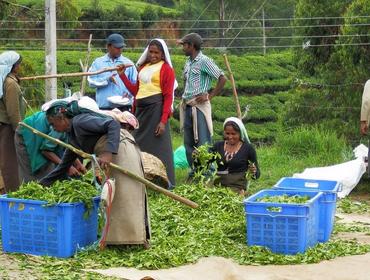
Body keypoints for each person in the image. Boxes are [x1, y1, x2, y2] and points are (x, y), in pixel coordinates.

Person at [39, 100, 150, 246]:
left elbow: (113, 124)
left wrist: (108, 153)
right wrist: (40, 185)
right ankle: (118, 241)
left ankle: (134, 239)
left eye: (53, 124)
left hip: (121, 149)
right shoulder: (72, 136)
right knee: (112, 197)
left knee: (126, 195)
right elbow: (62, 167)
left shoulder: (80, 122)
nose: (53, 127)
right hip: (112, 153)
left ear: (62, 118)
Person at [118, 38, 176, 188]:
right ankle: (140, 178)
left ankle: (165, 182)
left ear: (163, 54)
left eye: (156, 52)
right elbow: (136, 92)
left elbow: (168, 96)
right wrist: (122, 76)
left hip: (156, 111)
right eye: (151, 52)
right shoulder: (143, 68)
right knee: (137, 143)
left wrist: (163, 121)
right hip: (141, 111)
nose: (153, 55)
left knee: (159, 146)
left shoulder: (166, 70)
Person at [177, 33, 227, 179]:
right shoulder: (188, 62)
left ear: (191, 46)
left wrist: (209, 96)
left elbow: (222, 78)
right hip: (188, 105)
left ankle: (206, 174)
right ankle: (194, 171)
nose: (182, 47)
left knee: (202, 142)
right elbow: (186, 82)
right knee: (189, 142)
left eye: (184, 45)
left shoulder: (204, 61)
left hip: (199, 107)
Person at [14, 111, 85, 184]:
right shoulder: (58, 126)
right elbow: (46, 150)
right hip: (28, 133)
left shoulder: (69, 123)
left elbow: (66, 144)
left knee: (51, 172)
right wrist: (67, 167)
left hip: (44, 139)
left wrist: (77, 163)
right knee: (34, 174)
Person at [208, 117, 260, 195]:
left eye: (233, 134)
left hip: (237, 189)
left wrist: (253, 171)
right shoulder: (218, 146)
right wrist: (197, 158)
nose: (230, 137)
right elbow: (204, 164)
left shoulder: (248, 148)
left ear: (240, 133)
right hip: (218, 187)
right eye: (227, 133)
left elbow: (256, 175)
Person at [88, 33, 137, 111]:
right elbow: (91, 82)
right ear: (108, 46)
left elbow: (136, 84)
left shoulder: (129, 64)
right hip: (104, 108)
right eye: (117, 47)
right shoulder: (98, 63)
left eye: (121, 47)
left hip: (124, 107)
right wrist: (107, 80)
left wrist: (129, 94)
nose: (120, 50)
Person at [0, 51, 26, 192]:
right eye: (18, 64)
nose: (19, 67)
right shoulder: (10, 83)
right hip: (7, 128)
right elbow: (13, 111)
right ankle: (13, 193)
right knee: (9, 162)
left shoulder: (4, 80)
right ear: (12, 66)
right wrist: (19, 130)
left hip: (3, 125)